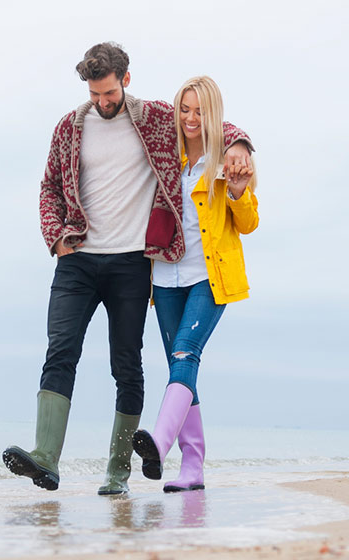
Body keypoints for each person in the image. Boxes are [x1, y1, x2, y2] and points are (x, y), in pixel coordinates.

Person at [1, 42, 254, 495]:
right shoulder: (68, 128)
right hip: (77, 259)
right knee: (60, 350)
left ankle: (117, 472)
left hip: (133, 264)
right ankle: (45, 457)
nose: (102, 102)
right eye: (95, 94)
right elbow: (48, 189)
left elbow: (206, 122)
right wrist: (57, 238)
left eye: (109, 93)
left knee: (127, 365)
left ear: (126, 80)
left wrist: (238, 144)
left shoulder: (154, 119)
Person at [132, 76, 259, 492]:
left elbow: (249, 224)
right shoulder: (166, 157)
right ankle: (193, 470)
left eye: (200, 110)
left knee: (186, 354)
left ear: (214, 114)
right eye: (184, 109)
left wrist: (239, 193)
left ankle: (160, 441)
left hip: (209, 277)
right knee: (179, 369)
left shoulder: (228, 162)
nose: (190, 118)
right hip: (166, 277)